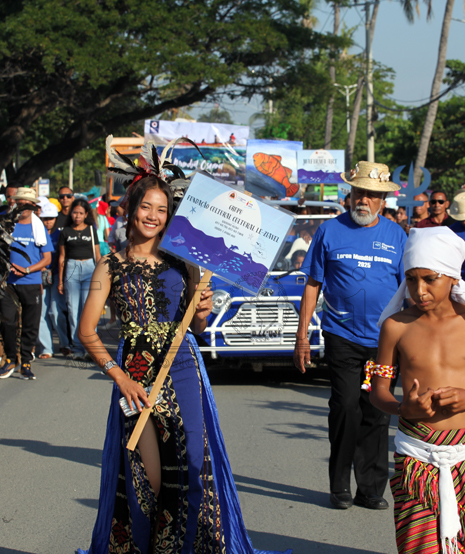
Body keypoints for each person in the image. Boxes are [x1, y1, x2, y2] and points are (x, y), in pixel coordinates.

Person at [75, 176, 289, 554]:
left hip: (183, 367)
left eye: (161, 209)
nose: (153, 216)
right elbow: (86, 331)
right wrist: (119, 377)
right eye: (146, 207)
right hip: (135, 376)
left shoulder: (187, 262)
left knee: (191, 467)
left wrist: (203, 308)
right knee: (147, 476)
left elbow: (199, 325)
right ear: (131, 210)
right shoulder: (109, 265)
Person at [368, 226, 465, 554]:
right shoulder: (395, 326)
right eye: (412, 279)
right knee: (418, 547)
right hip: (416, 455)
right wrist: (404, 408)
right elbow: (378, 392)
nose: (419, 289)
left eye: (430, 279)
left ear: (452, 278)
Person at [295, 161, 406, 510]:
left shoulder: (397, 236)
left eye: (372, 196)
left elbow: (409, 289)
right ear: (349, 194)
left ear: (383, 201)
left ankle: (371, 489)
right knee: (345, 408)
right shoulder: (329, 232)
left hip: (384, 341)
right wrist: (302, 336)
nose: (364, 201)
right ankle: (339, 485)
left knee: (376, 412)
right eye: (359, 193)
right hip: (341, 335)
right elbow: (313, 284)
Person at [0, 187, 53, 380]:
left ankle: (26, 362)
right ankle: (11, 359)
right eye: (20, 203)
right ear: (14, 204)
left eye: (27, 204)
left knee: (30, 324)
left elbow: (47, 258)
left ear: (33, 206)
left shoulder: (38, 227)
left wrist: (27, 270)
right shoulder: (5, 224)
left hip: (30, 281)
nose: (23, 208)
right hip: (8, 282)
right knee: (7, 322)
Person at [58, 198, 101, 360]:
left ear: (86, 215)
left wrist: (102, 276)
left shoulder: (91, 230)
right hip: (71, 269)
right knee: (73, 309)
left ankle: (91, 348)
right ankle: (77, 347)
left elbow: (98, 255)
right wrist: (61, 281)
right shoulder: (65, 232)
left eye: (81, 213)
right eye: (75, 212)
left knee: (89, 309)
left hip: (90, 269)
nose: (77, 216)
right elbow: (62, 257)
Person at [37, 201, 71, 358]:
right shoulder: (36, 233)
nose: (47, 221)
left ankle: (64, 343)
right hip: (39, 275)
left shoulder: (61, 234)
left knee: (56, 311)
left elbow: (64, 257)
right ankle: (46, 348)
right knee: (41, 312)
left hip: (56, 275)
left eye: (50, 218)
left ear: (56, 219)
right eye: (45, 218)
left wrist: (61, 279)